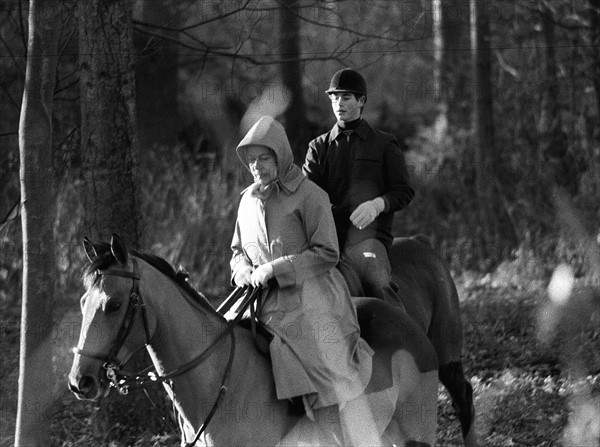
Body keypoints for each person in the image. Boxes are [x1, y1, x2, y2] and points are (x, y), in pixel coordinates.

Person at [230, 116, 380, 446]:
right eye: (252, 160)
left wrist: (276, 269)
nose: (257, 167)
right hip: (258, 301)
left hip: (311, 299)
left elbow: (328, 252)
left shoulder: (310, 195)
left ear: (281, 155)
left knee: (317, 367)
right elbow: (238, 249)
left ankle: (333, 434)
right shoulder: (247, 200)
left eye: (264, 158)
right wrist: (241, 270)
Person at [303, 68, 414, 308]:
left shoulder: (384, 144)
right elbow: (308, 198)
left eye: (345, 97)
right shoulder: (318, 148)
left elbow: (404, 191)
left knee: (378, 282)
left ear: (361, 101)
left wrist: (378, 204)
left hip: (369, 240)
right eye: (334, 98)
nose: (338, 103)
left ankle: (402, 333)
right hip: (328, 242)